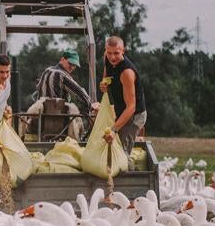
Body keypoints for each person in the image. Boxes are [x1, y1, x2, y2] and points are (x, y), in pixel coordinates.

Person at [100, 36, 147, 169]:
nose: (112, 57)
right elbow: (106, 76)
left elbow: (131, 107)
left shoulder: (127, 72)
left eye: (116, 53)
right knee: (111, 147)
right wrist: (104, 84)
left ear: (123, 51)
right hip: (121, 111)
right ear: (105, 50)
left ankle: (130, 177)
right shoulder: (107, 58)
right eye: (109, 53)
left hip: (134, 115)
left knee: (121, 153)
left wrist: (114, 129)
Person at [34, 49, 94, 140]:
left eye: (74, 66)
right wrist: (91, 104)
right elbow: (79, 92)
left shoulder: (46, 71)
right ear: (62, 59)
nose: (72, 67)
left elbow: (37, 90)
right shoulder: (62, 74)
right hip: (58, 120)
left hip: (40, 118)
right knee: (78, 124)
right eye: (70, 64)